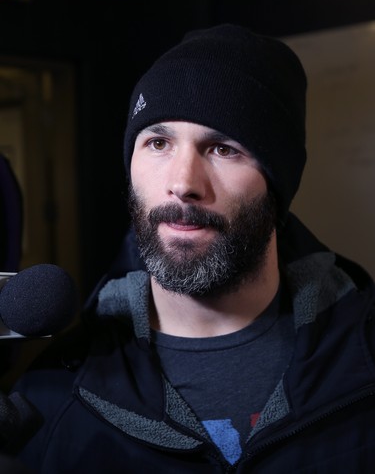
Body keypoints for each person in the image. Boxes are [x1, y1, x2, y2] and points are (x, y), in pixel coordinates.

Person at [12, 24, 375, 473]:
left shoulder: (364, 360)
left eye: (223, 148)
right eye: (158, 142)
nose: (182, 184)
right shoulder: (53, 397)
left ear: (278, 185)